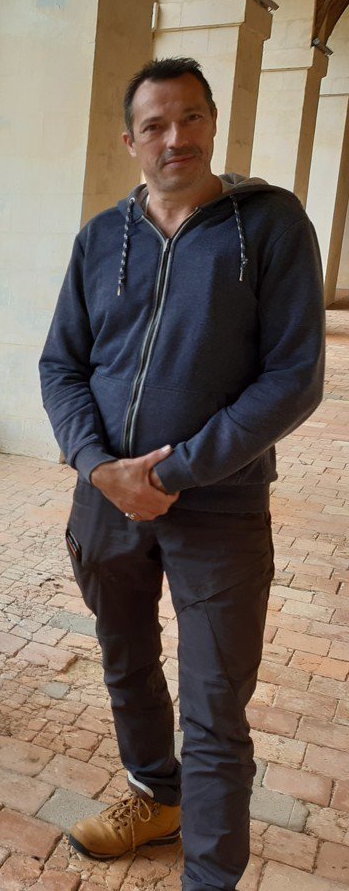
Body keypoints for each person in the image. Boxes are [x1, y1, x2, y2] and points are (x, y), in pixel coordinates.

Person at [39, 57, 325, 891]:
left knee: (214, 708)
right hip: (106, 508)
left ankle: (211, 878)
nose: (177, 139)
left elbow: (294, 375)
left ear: (212, 122)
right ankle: (154, 797)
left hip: (222, 507)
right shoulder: (100, 238)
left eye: (191, 119)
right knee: (126, 661)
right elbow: (62, 365)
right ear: (130, 141)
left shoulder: (270, 226)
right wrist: (98, 467)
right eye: (156, 125)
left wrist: (180, 471)